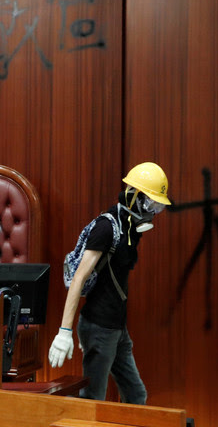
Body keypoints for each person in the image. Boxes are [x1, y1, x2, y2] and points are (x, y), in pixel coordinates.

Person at [48, 162, 171, 404]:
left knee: (136, 395)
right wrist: (65, 332)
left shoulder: (131, 228)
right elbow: (79, 278)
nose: (153, 211)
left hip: (116, 327)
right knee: (93, 400)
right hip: (99, 326)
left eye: (157, 207)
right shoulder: (107, 228)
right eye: (150, 204)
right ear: (133, 196)